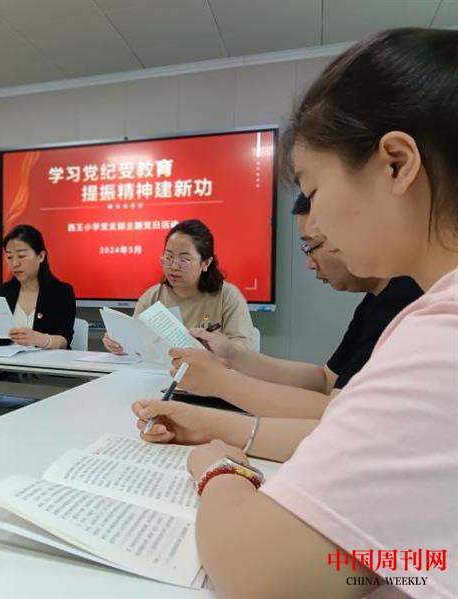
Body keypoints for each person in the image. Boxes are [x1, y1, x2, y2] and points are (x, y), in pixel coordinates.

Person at [135, 28, 458, 596]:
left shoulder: (440, 336)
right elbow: (412, 559)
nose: (318, 225)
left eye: (315, 189)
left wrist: (219, 466)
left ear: (396, 164)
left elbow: (259, 571)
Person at [173, 192, 421, 419]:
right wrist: (233, 356)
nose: (310, 263)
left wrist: (221, 384)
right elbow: (325, 379)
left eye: (311, 246)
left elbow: (333, 412)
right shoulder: (375, 300)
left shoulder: (405, 302)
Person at [103, 219, 253, 353]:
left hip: (210, 372)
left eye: (184, 260)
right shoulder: (153, 296)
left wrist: (217, 348)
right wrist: (119, 342)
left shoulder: (227, 296)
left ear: (206, 263)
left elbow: (244, 347)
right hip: (161, 372)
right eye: (168, 257)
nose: (174, 267)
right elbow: (136, 341)